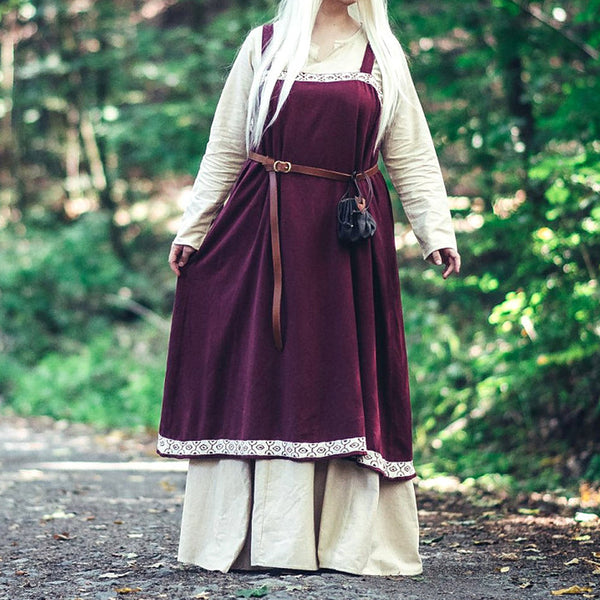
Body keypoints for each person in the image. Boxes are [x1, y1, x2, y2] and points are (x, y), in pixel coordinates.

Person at [158, 0, 460, 576]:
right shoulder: (264, 44)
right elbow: (226, 143)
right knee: (266, 367)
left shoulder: (382, 51)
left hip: (345, 236)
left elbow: (411, 152)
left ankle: (342, 541)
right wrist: (195, 226)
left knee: (335, 371)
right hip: (262, 225)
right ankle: (257, 540)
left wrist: (435, 230)